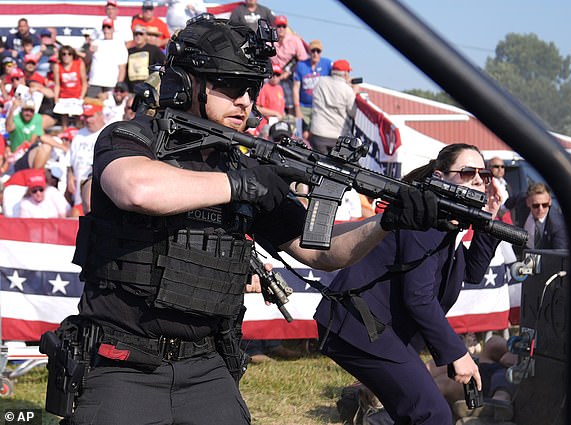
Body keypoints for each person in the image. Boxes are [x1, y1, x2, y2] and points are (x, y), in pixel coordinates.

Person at [56, 16, 437, 425]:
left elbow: (321, 252)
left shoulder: (248, 168)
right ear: (186, 84)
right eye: (230, 85)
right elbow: (137, 189)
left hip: (207, 369)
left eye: (251, 89)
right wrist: (242, 183)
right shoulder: (131, 137)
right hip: (121, 364)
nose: (244, 101)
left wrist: (386, 222)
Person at [315, 143, 502, 425]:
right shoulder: (425, 220)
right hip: (357, 324)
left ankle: (365, 411)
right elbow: (419, 297)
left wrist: (491, 219)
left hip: (372, 328)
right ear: (440, 177)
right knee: (431, 414)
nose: (478, 180)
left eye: (483, 174)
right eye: (467, 172)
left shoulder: (445, 221)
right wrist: (457, 354)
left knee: (419, 411)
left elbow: (471, 272)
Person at [309, 59, 358, 154]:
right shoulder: (347, 90)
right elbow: (353, 112)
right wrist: (354, 91)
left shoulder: (320, 82)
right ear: (345, 74)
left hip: (318, 134)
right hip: (337, 138)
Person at [67, 101, 106, 216]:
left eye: (91, 116)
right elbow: (69, 160)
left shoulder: (107, 133)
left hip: (95, 187)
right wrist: (69, 175)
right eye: (85, 117)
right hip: (78, 190)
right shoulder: (79, 135)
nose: (87, 120)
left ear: (100, 115)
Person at [292, 39, 331, 140]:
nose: (315, 54)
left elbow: (338, 75)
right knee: (301, 135)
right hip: (303, 106)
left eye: (318, 51)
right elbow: (296, 87)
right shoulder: (301, 65)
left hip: (319, 107)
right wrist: (297, 108)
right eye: (313, 51)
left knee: (315, 135)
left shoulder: (327, 64)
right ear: (309, 51)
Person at [269, 15, 308, 115]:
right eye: (278, 26)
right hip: (271, 74)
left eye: (283, 26)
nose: (281, 29)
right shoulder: (269, 41)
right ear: (274, 27)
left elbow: (303, 61)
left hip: (289, 75)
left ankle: (291, 120)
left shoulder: (295, 40)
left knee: (291, 100)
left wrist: (290, 71)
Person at [87, 18, 128, 99]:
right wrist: (89, 52)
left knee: (109, 109)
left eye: (108, 27)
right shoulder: (96, 42)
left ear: (113, 29)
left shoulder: (119, 44)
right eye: (104, 27)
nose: (106, 30)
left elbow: (122, 67)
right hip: (94, 82)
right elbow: (87, 61)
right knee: (92, 107)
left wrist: (119, 85)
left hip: (111, 83)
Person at [522, 182, 568, 249]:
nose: (540, 209)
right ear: (528, 203)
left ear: (550, 202)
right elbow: (513, 199)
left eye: (544, 205)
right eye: (536, 205)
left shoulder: (557, 225)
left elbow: (559, 255)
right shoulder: (521, 204)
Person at [125, 25, 166, 94]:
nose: (138, 36)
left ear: (145, 36)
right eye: (136, 34)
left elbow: (165, 63)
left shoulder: (153, 49)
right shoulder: (128, 51)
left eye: (141, 34)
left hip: (149, 89)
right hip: (131, 90)